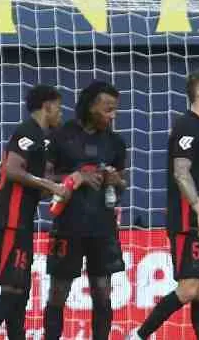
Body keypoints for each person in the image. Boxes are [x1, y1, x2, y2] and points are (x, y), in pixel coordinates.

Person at [130, 70, 199, 340]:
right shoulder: (187, 126)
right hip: (188, 220)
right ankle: (138, 336)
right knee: (189, 288)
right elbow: (180, 172)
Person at [0, 86, 66, 340]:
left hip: (22, 222)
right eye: (58, 107)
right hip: (9, 222)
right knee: (12, 290)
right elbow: (13, 170)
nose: (60, 113)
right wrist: (51, 185)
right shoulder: (26, 131)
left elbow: (37, 187)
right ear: (47, 105)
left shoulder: (41, 138)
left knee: (21, 291)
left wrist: (67, 182)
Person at [43, 81, 129, 340]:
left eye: (115, 110)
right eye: (108, 109)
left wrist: (116, 182)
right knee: (59, 290)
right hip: (68, 226)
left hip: (102, 227)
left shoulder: (115, 143)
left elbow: (122, 185)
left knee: (102, 290)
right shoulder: (62, 136)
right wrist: (76, 176)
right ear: (91, 107)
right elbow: (44, 182)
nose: (112, 115)